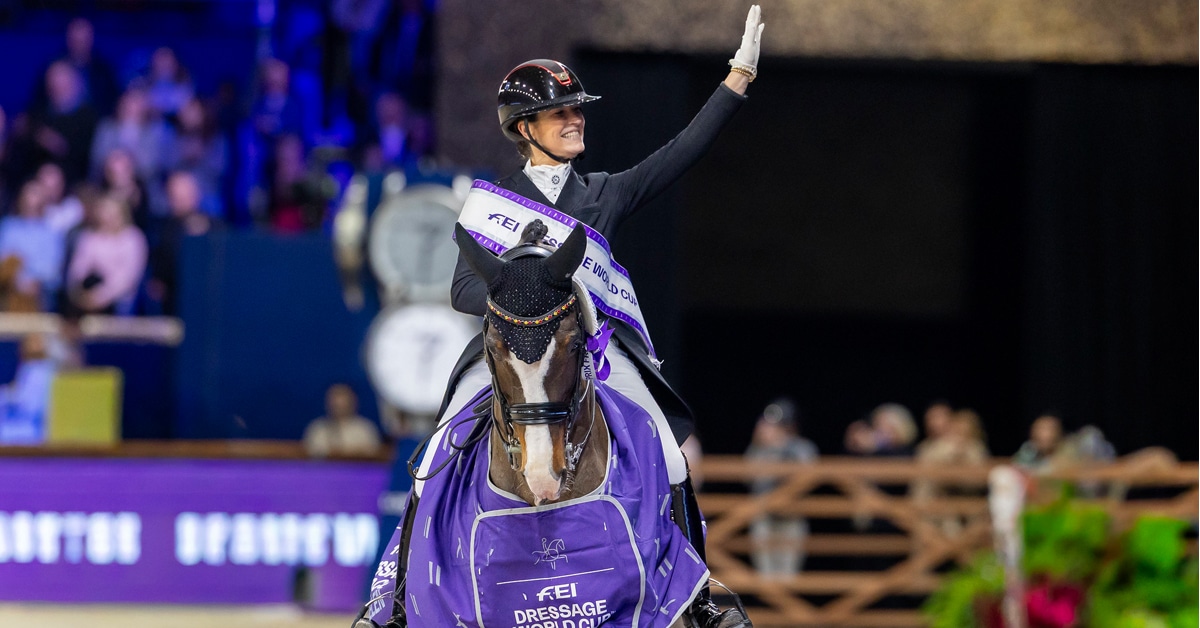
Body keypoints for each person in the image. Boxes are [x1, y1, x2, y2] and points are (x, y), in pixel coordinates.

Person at [395, 8, 765, 628]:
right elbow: (462, 288)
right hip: (510, 352)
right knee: (433, 454)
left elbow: (679, 154)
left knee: (671, 457)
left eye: (577, 110)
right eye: (561, 113)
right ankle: (394, 601)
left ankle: (696, 597)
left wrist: (737, 80)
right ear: (524, 127)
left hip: (592, 351)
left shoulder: (602, 193)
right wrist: (521, 295)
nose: (575, 120)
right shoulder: (490, 203)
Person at [744, 398, 818, 578]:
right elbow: (750, 478)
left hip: (791, 520)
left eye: (779, 425)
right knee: (765, 578)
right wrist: (761, 445)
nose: (773, 429)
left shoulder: (803, 448)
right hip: (764, 519)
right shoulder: (759, 450)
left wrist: (780, 446)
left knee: (787, 577)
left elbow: (807, 479)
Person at [64, 194, 147, 316]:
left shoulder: (133, 238)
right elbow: (77, 269)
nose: (108, 218)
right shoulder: (89, 237)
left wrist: (101, 296)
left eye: (112, 214)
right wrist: (82, 293)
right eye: (105, 213)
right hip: (88, 294)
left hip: (119, 298)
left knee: (123, 303)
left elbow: (127, 279)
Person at [302, 384, 382, 458]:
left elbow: (374, 454)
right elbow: (309, 454)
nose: (339, 404)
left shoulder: (365, 429)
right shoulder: (317, 429)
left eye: (343, 398)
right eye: (335, 399)